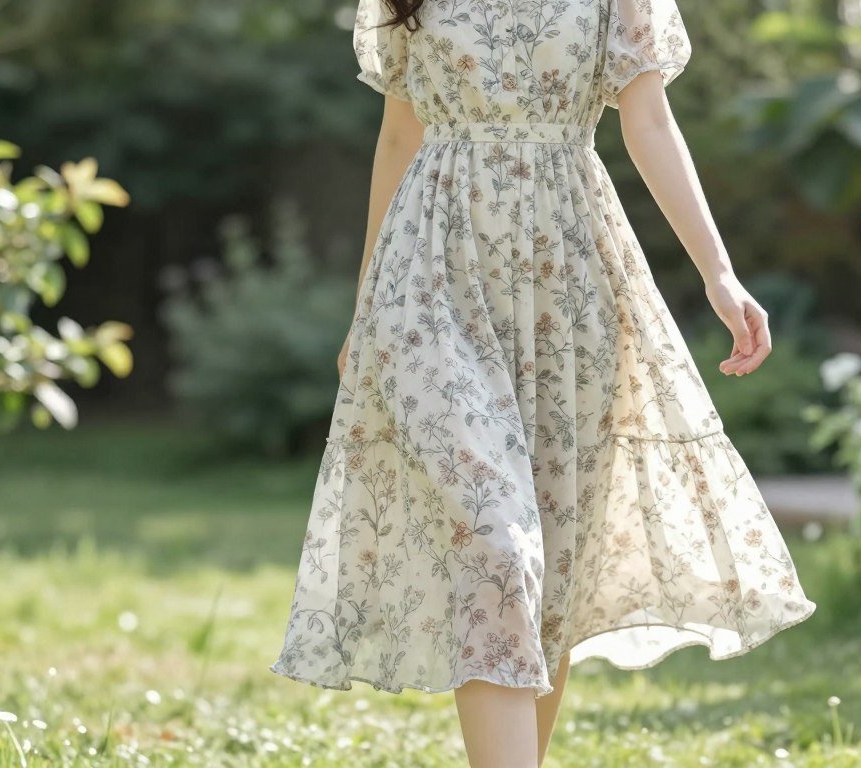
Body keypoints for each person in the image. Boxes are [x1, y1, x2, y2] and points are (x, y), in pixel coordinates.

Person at [270, 0, 818, 764]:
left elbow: (649, 121)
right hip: (430, 278)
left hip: (571, 278)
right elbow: (400, 131)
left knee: (552, 561)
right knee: (494, 540)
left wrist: (719, 275)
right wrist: (368, 303)